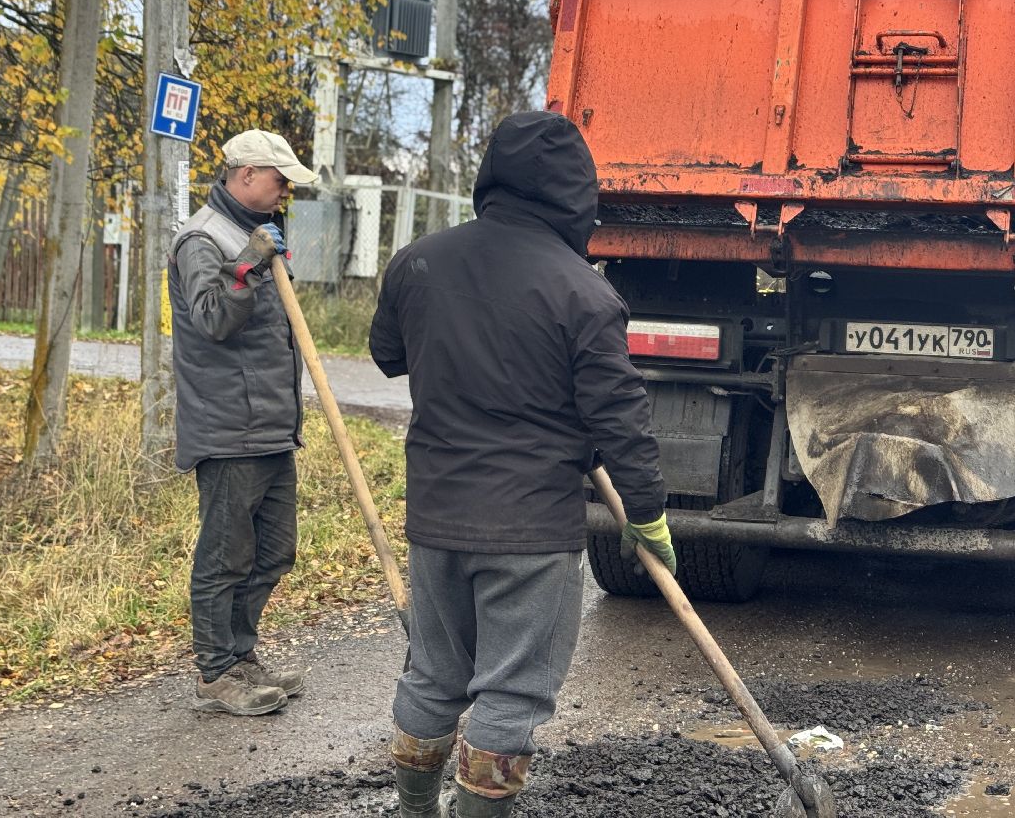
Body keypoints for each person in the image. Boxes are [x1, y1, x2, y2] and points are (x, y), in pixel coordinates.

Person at [370, 110, 672, 818]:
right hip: (531, 529)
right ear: (577, 196)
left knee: (434, 675)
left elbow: (389, 357)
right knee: (510, 690)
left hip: (437, 516)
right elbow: (619, 418)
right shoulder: (585, 292)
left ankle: (416, 812)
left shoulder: (419, 262)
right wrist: (649, 512)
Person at [168, 129, 318, 716]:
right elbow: (211, 319)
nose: (283, 194)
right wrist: (250, 263)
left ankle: (240, 652)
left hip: (270, 426)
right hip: (229, 429)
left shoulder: (250, 235)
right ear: (248, 173)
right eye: (280, 182)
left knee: (275, 550)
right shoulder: (202, 239)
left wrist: (256, 258)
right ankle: (215, 671)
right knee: (226, 554)